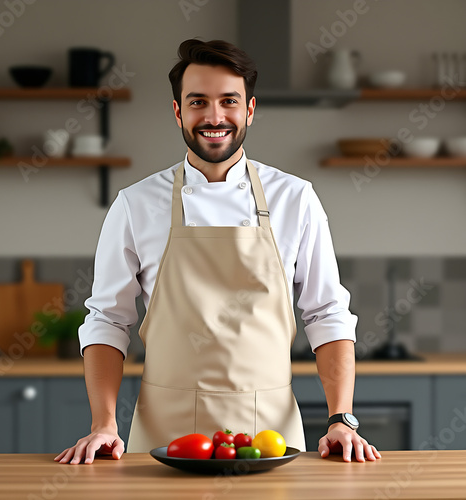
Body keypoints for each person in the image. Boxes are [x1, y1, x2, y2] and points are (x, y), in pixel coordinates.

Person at [55, 39, 381, 465]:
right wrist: (103, 424)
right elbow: (108, 321)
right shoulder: (135, 204)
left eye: (229, 101)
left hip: (269, 433)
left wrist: (341, 417)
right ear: (178, 112)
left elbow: (327, 313)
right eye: (198, 102)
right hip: (164, 434)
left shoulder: (295, 198)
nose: (214, 117)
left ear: (249, 110)